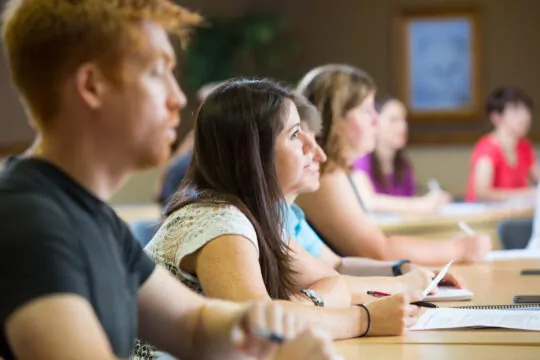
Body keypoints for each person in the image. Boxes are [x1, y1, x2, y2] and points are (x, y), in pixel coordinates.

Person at [0, 1, 339, 359]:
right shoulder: (29, 223)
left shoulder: (90, 216)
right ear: (92, 85)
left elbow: (192, 326)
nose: (178, 98)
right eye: (156, 72)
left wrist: (264, 327)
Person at [136, 79, 422, 357]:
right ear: (254, 152)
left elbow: (332, 280)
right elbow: (261, 328)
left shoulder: (255, 217)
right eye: (296, 135)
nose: (315, 152)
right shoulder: (219, 222)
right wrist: (362, 320)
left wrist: (305, 305)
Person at [295, 64, 492, 265]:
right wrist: (459, 249)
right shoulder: (323, 175)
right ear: (335, 118)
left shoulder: (338, 171)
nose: (375, 119)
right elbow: (379, 252)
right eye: (365, 110)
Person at [286, 94, 465, 289]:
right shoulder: (271, 218)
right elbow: (329, 283)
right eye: (296, 136)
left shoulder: (291, 214)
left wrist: (403, 270)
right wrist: (401, 284)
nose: (319, 154)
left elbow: (336, 265)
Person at [352, 94, 451, 214]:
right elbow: (370, 202)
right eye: (393, 120)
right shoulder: (361, 159)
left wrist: (433, 200)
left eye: (404, 120)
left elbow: (408, 200)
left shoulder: (403, 164)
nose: (402, 126)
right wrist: (420, 205)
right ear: (374, 122)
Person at [466, 86, 539, 202]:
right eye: (516, 111)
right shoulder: (487, 148)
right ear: (496, 117)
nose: (525, 117)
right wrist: (528, 194)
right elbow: (482, 193)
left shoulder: (524, 146)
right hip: (488, 216)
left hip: (515, 215)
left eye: (526, 111)